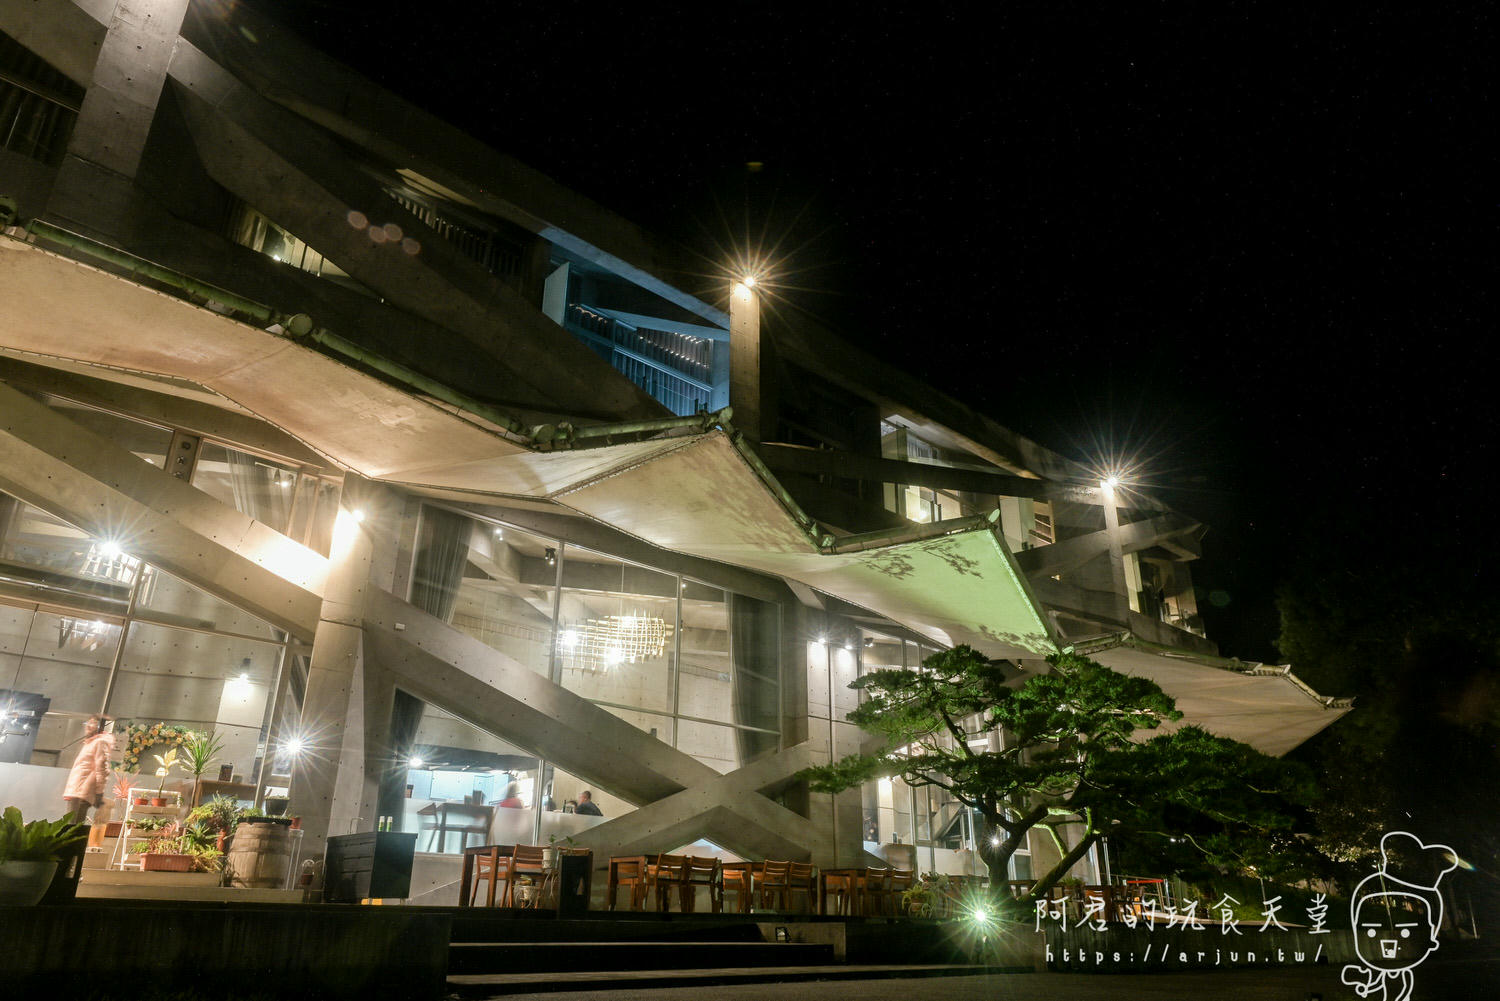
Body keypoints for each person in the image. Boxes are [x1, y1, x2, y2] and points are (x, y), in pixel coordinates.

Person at [63, 715, 113, 823]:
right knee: (71, 827)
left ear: (101, 727)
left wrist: (99, 792)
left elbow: (102, 768)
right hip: (77, 790)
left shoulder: (100, 742)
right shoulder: (90, 742)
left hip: (83, 791)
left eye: (93, 723)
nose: (88, 726)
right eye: (88, 723)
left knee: (73, 829)